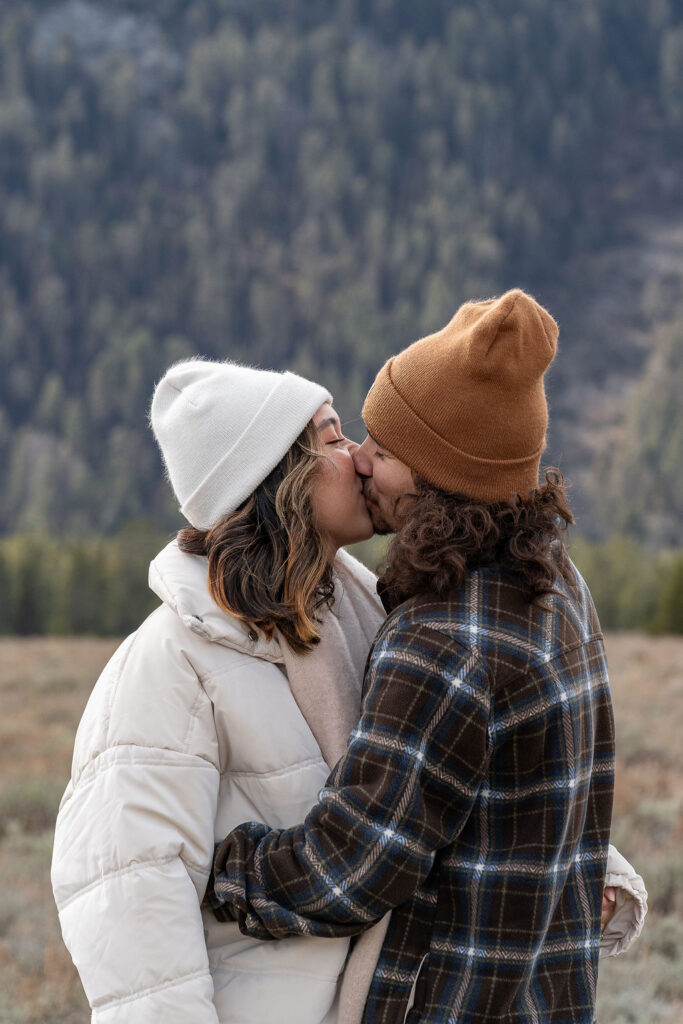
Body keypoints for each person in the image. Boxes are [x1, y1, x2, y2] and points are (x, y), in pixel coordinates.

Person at [206, 290, 646, 1023]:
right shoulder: (557, 581)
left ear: (443, 477)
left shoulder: (444, 641)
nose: (360, 462)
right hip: (546, 1000)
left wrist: (220, 871)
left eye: (383, 449)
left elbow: (348, 870)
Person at [50, 359, 387, 1024]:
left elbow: (429, 778)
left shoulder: (362, 619)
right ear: (277, 476)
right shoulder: (169, 664)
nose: (360, 459)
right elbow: (132, 905)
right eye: (333, 438)